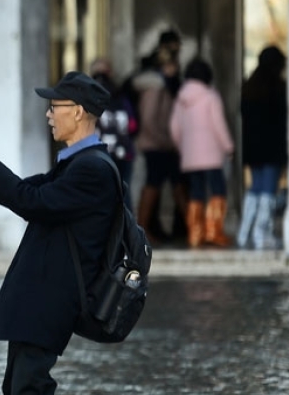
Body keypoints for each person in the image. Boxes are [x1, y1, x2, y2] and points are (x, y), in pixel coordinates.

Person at [0, 71, 120, 395]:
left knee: (27, 387)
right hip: (40, 295)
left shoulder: (92, 169)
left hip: (53, 296)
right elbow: (28, 191)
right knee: (16, 387)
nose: (49, 115)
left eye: (55, 107)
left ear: (79, 112)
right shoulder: (77, 164)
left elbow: (30, 201)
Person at [169, 58, 235, 248]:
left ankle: (195, 234)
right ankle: (214, 232)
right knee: (218, 190)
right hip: (212, 155)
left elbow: (174, 128)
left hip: (190, 155)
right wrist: (229, 147)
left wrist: (183, 146)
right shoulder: (210, 95)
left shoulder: (181, 97)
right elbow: (219, 125)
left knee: (196, 192)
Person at [134, 33, 188, 244]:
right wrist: (167, 142)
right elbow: (149, 120)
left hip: (163, 144)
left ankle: (194, 230)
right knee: (154, 185)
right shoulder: (155, 87)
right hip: (157, 145)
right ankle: (142, 230)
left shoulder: (165, 86)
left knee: (175, 185)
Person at [238, 46, 288, 249]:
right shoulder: (276, 88)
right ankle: (261, 234)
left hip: (253, 149)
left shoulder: (249, 87)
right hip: (272, 149)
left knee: (255, 190)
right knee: (267, 192)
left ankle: (244, 233)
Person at [90, 58, 138, 199]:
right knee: (123, 195)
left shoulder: (87, 97)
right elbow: (133, 125)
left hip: (98, 153)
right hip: (123, 152)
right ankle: (125, 222)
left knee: (100, 195)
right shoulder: (122, 96)